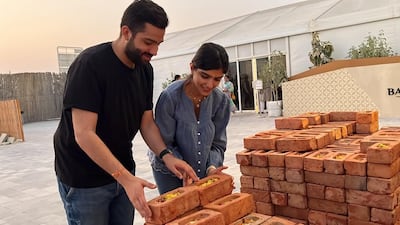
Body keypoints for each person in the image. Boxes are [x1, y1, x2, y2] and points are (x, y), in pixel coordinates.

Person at [53, 1, 198, 225]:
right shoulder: (90, 65)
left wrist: (167, 156)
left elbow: (146, 122)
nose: (154, 51)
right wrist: (125, 178)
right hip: (84, 177)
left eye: (158, 43)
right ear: (126, 32)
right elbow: (84, 134)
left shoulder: (144, 69)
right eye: (148, 42)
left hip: (123, 171)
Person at [148, 42, 231, 194]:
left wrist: (212, 167)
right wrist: (183, 167)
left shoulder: (221, 102)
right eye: (204, 76)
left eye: (217, 79)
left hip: (204, 171)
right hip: (170, 170)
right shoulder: (170, 98)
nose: (209, 84)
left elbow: (218, 143)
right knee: (176, 212)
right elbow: (163, 144)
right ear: (192, 68)